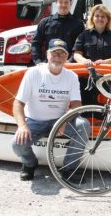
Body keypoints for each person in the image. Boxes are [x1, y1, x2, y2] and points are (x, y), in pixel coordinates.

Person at [12, 38, 90, 181]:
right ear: (47, 54)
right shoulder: (33, 73)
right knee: (17, 144)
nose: (58, 57)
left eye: (62, 54)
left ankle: (69, 169)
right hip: (35, 121)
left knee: (83, 125)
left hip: (60, 121)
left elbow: (76, 105)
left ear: (67, 57)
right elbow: (18, 103)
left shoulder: (72, 77)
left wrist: (64, 121)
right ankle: (30, 164)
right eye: (54, 53)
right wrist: (22, 126)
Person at [73, 4, 111, 105]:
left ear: (107, 19)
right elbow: (76, 54)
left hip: (107, 80)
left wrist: (104, 62)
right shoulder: (83, 35)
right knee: (85, 109)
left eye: (103, 16)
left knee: (105, 110)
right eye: (97, 16)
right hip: (85, 79)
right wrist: (84, 61)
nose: (100, 19)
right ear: (92, 18)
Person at [31, 0, 84, 64]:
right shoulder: (45, 22)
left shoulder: (78, 24)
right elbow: (36, 43)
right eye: (61, 2)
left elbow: (80, 47)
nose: (63, 5)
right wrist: (38, 61)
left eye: (66, 2)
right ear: (56, 3)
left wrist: (70, 61)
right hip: (48, 65)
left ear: (70, 3)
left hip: (69, 66)